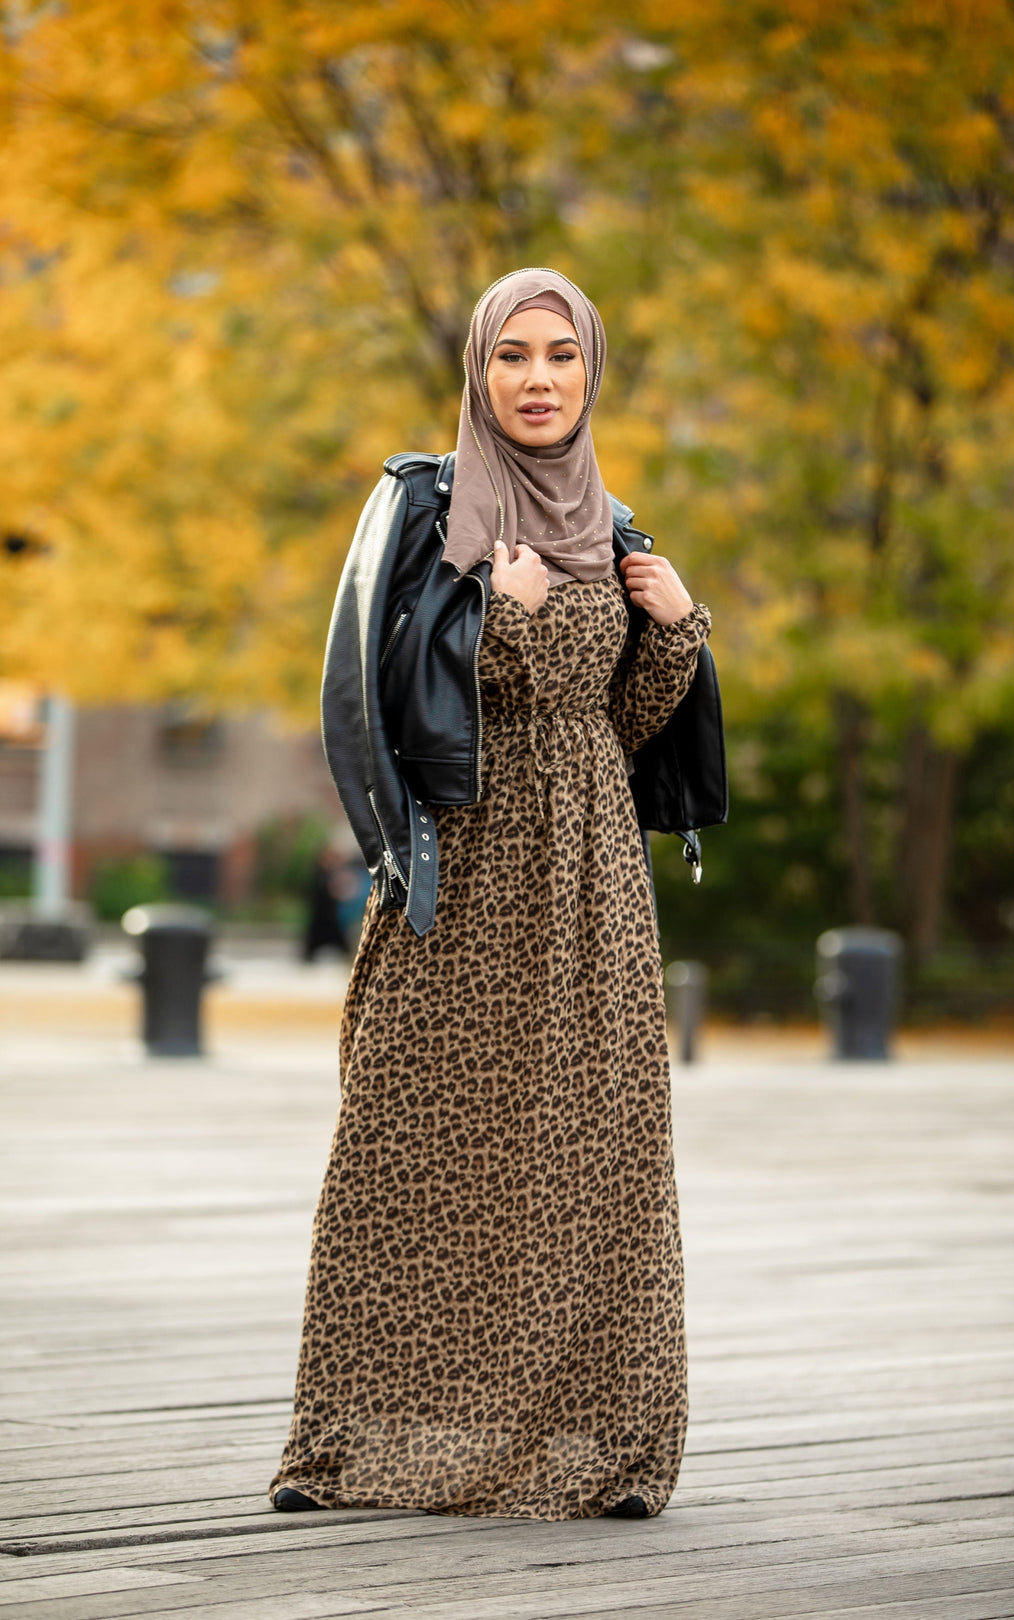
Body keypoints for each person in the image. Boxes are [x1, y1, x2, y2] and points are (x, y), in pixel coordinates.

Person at [269, 267, 723, 1522]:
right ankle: (365, 1444)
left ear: (592, 373)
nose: (537, 380)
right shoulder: (425, 512)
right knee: (411, 1145)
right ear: (480, 372)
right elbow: (402, 699)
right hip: (456, 876)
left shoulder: (616, 526)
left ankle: (596, 1452)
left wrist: (679, 630)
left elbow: (619, 731)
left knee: (589, 1154)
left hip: (589, 885)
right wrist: (489, 618)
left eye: (562, 356)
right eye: (513, 356)